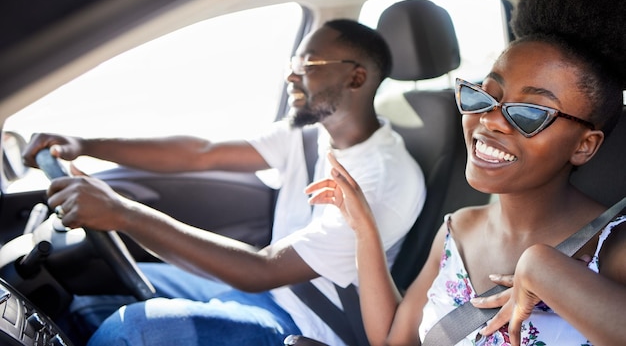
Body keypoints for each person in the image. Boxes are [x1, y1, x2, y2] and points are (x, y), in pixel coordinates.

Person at [22, 19, 426, 346]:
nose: (290, 75)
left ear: (356, 79)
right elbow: (201, 152)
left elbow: (261, 270)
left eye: (307, 65)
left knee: (131, 329)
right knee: (86, 290)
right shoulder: (309, 134)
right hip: (265, 293)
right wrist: (83, 144)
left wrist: (122, 213)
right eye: (292, 62)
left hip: (310, 326)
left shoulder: (385, 179)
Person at [306, 0, 626, 345]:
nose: (491, 120)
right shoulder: (457, 229)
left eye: (529, 113)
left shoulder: (614, 249)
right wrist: (364, 231)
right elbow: (395, 340)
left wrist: (543, 269)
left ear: (583, 145)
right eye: (483, 95)